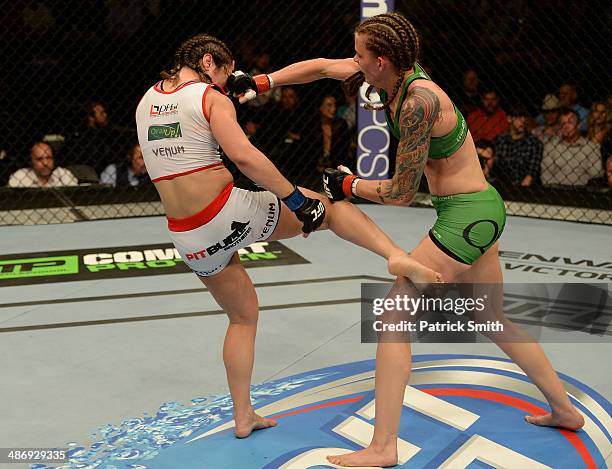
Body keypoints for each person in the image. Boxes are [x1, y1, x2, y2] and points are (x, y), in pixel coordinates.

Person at [233, 12, 585, 467]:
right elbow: (321, 66)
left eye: (360, 55)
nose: (353, 62)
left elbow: (400, 193)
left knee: (393, 319)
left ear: (381, 61)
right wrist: (261, 82)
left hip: (468, 216)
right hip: (477, 211)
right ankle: (565, 410)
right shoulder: (390, 75)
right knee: (491, 317)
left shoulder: (419, 101)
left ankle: (384, 446)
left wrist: (348, 186)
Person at [134, 33, 441, 441]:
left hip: (187, 236)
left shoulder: (145, 102)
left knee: (242, 316)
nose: (226, 86)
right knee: (330, 209)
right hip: (225, 212)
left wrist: (259, 82)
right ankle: (393, 254)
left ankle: (243, 415)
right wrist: (295, 200)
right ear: (209, 62)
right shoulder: (210, 97)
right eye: (224, 75)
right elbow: (244, 156)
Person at [540, 108, 602, 187]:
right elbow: (546, 175)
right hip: (555, 192)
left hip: (583, 193)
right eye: (563, 123)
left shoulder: (590, 148)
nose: (566, 126)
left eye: (570, 122)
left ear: (578, 125)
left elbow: (595, 175)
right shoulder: (551, 147)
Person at [493, 105, 543, 187]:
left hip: (526, 191)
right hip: (501, 187)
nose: (523, 120)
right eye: (519, 117)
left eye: (524, 117)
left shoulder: (534, 143)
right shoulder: (499, 140)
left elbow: (531, 174)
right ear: (509, 119)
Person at [7, 141, 78, 188]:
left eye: (49, 158)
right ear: (30, 161)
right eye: (39, 159)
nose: (45, 163)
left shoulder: (63, 174)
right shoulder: (20, 176)